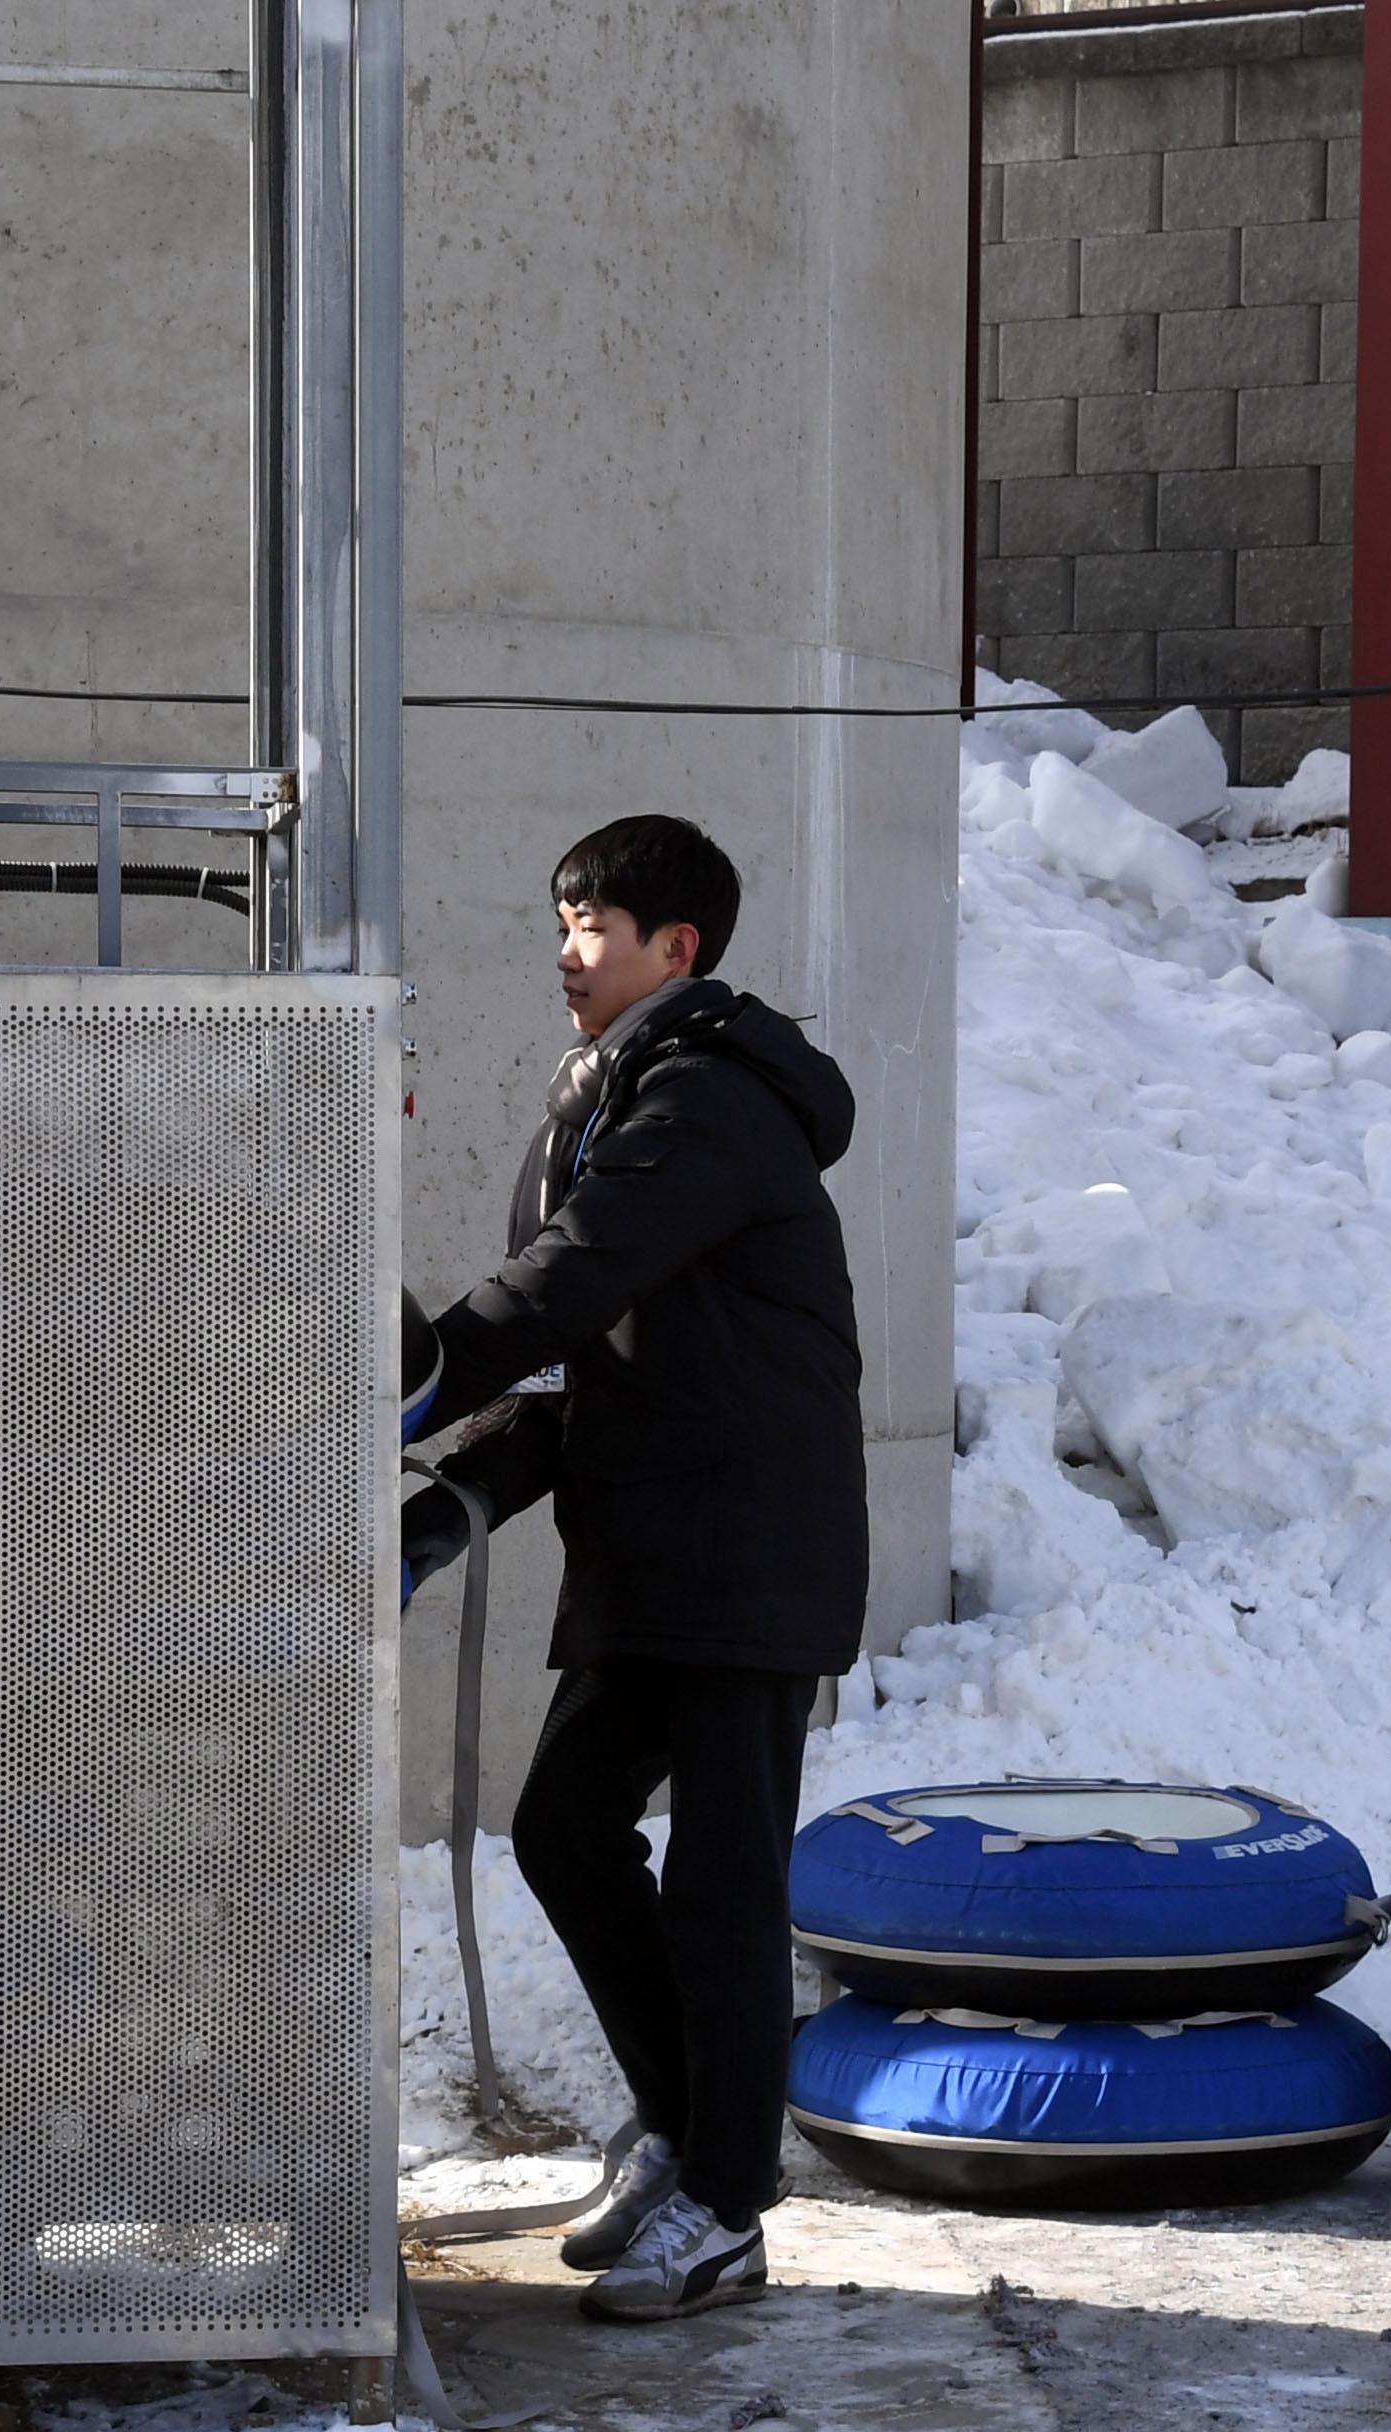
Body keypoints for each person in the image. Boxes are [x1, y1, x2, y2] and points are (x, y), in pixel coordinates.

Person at [403, 814, 867, 2325]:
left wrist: (405, 1369)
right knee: (561, 1828)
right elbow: (573, 1368)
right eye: (561, 921)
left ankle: (730, 2207)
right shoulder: (597, 1100)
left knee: (728, 1887)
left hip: (746, 1550)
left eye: (593, 925)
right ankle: (685, 2131)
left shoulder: (709, 1099)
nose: (566, 949)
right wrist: (449, 1491)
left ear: (678, 949)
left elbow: (572, 1280)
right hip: (654, 1544)